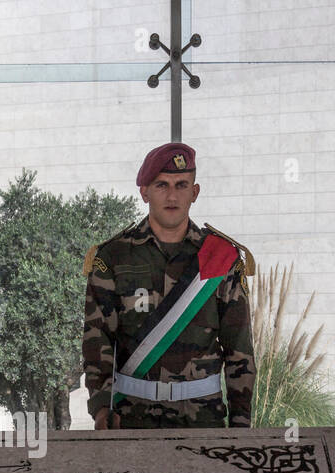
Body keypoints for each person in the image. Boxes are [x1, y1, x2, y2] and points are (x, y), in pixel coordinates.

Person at [82, 142, 256, 430]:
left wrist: (241, 424)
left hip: (203, 419)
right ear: (145, 192)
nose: (172, 195)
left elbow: (239, 349)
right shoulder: (113, 257)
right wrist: (102, 409)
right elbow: (97, 341)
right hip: (131, 418)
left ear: (194, 192)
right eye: (161, 185)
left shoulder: (221, 258)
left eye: (181, 184)